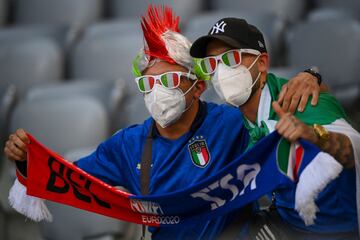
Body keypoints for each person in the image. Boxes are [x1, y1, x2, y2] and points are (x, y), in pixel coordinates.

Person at [4, 6, 323, 240]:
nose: (157, 92)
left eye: (169, 80)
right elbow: (68, 177)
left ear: (198, 86)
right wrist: (25, 160)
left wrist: (311, 75)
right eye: (148, 84)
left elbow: (287, 117)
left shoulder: (231, 121)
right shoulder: (128, 145)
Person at [190, 17, 360, 239]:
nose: (220, 72)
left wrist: (312, 135)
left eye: (231, 58)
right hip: (284, 221)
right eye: (212, 64)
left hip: (336, 230)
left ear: (261, 63)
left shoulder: (301, 99)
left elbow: (353, 150)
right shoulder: (233, 117)